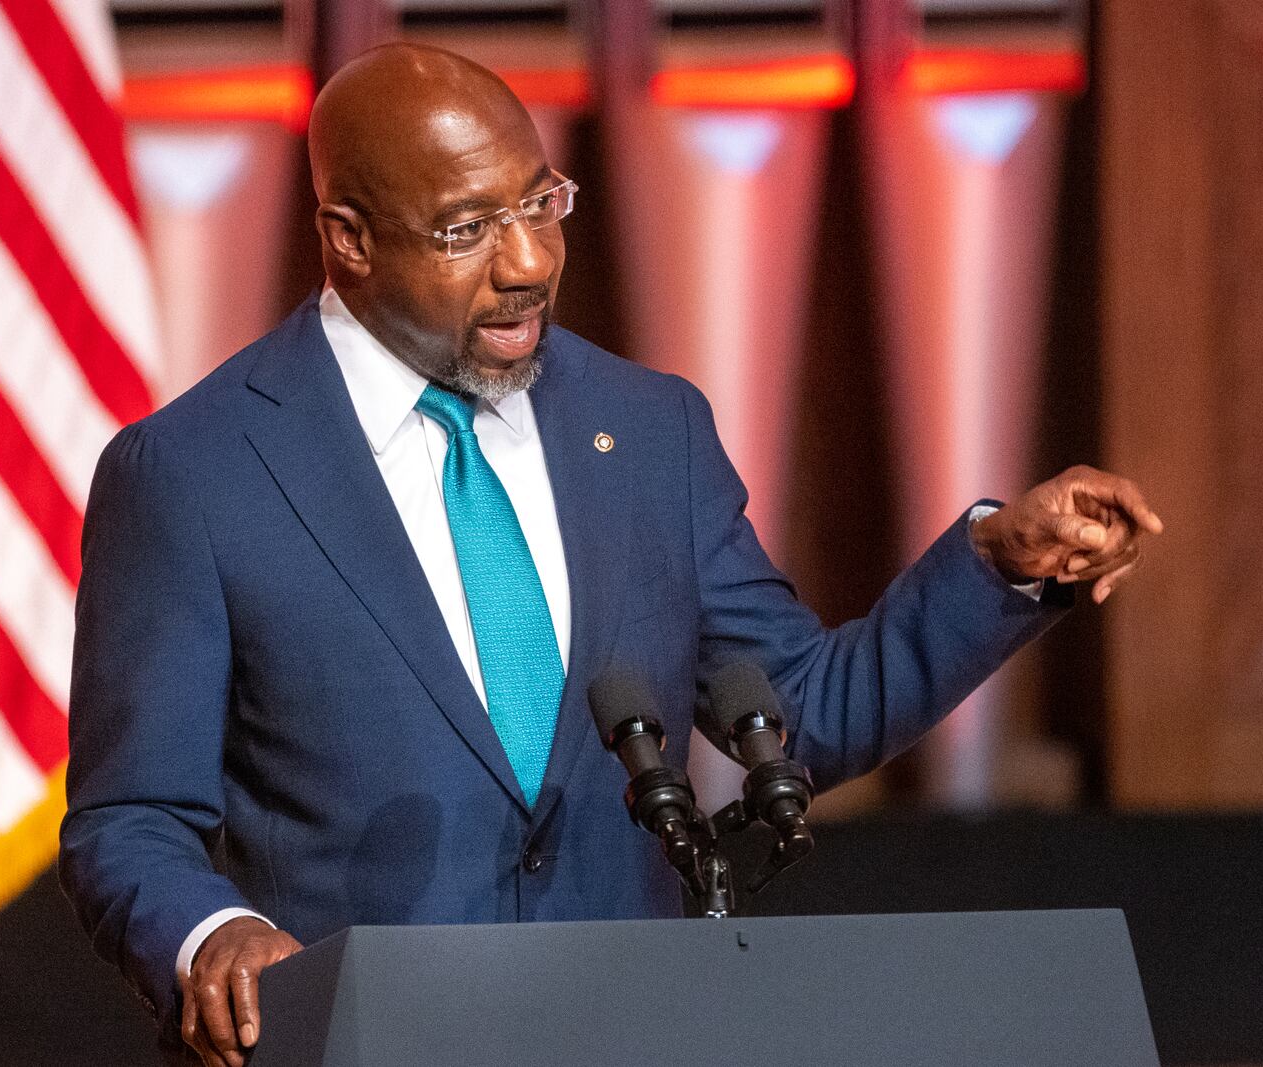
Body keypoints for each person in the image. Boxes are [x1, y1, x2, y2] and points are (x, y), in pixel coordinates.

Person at [59, 43, 1161, 1067]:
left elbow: (794, 709)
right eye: (467, 228)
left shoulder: (647, 428)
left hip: (625, 1030)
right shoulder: (195, 471)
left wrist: (1001, 558)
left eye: (540, 203)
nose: (530, 261)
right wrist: (213, 932)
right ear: (348, 236)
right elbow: (130, 816)